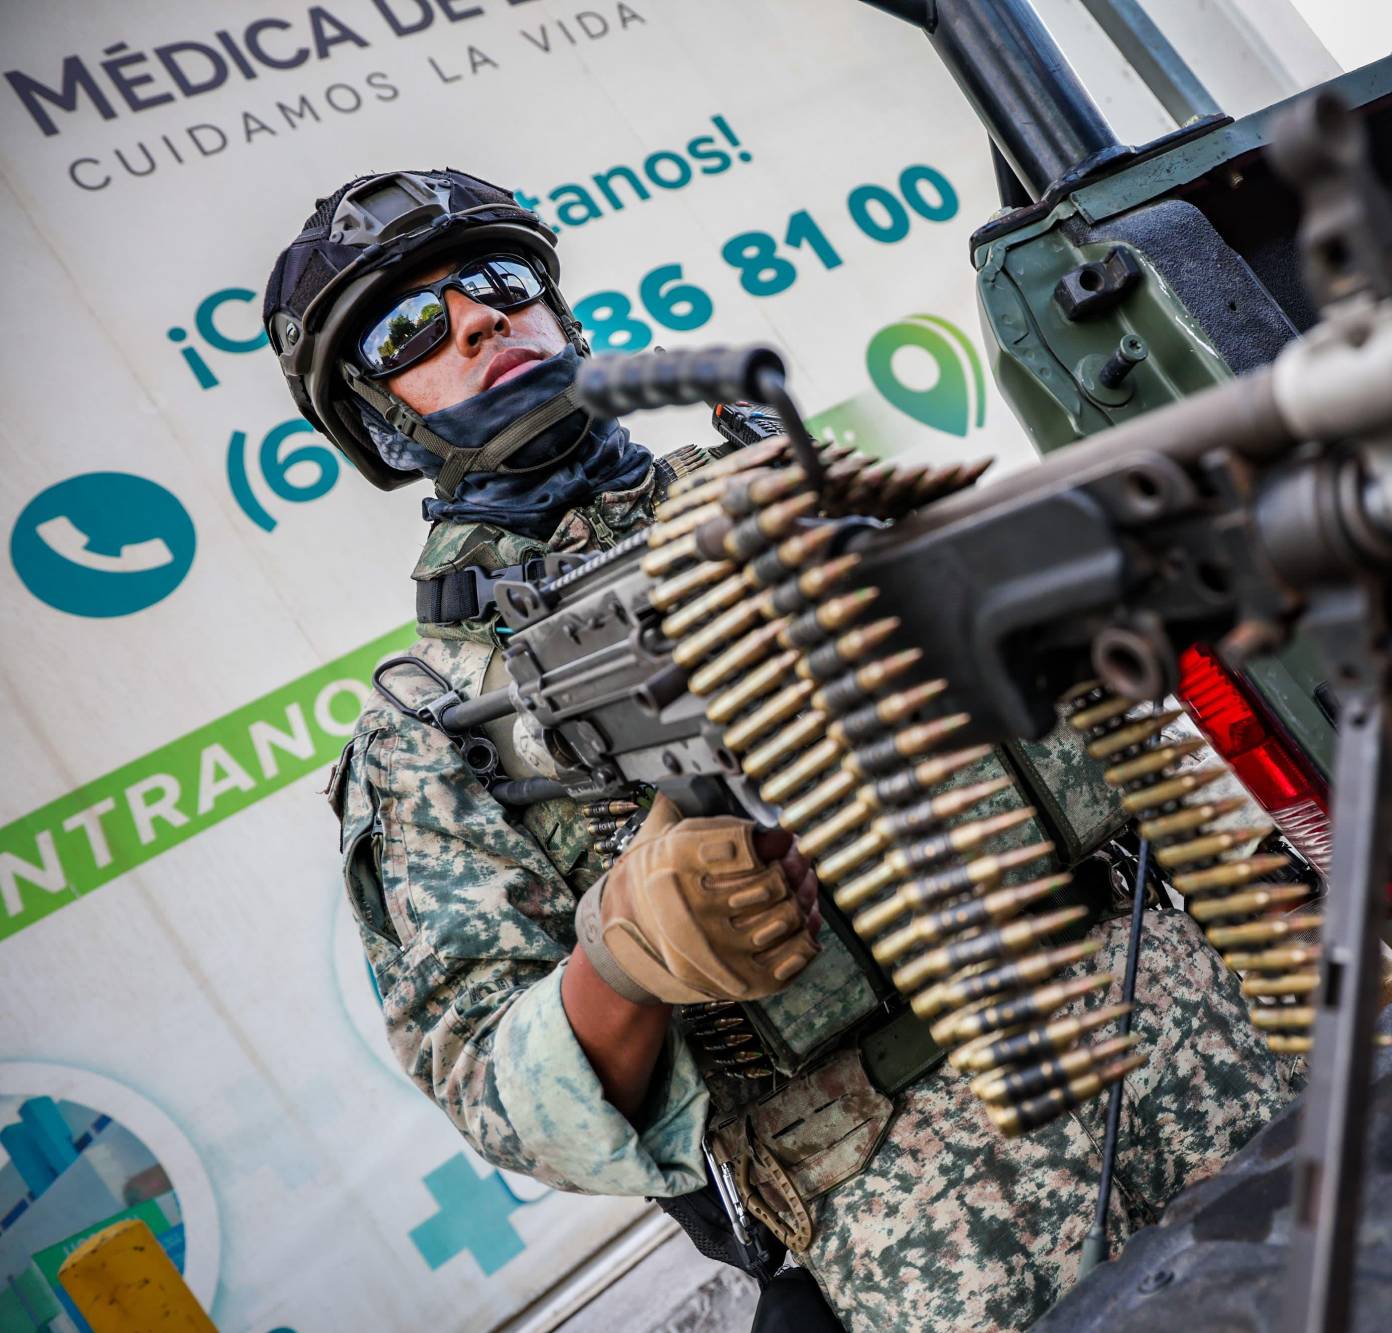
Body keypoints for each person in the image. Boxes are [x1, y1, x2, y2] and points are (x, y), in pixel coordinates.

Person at [268, 168, 1301, 1332]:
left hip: (1183, 1013)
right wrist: (621, 955)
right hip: (933, 1198)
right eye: (412, 326)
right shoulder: (427, 729)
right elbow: (494, 1086)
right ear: (374, 419)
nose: (478, 319)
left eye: (501, 283)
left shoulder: (786, 483)